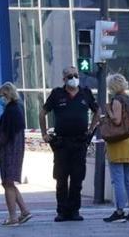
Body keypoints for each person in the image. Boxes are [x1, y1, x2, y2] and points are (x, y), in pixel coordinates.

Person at [39, 66, 99, 222]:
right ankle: (62, 211)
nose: (74, 78)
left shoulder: (85, 93)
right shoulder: (57, 94)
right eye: (70, 75)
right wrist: (44, 133)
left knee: (77, 178)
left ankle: (74, 211)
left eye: (76, 75)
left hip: (79, 142)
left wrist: (91, 128)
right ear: (64, 79)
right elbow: (42, 112)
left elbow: (97, 111)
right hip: (61, 142)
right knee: (61, 178)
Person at [102, 73, 129, 223]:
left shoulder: (117, 100)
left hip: (117, 141)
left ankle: (119, 211)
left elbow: (117, 120)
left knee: (117, 179)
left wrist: (108, 110)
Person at [0, 82, 32, 226]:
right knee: (9, 183)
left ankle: (13, 216)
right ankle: (24, 211)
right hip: (15, 151)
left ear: (7, 95)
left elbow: (3, 131)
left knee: (7, 183)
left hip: (9, 152)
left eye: (1, 96)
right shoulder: (16, 109)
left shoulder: (11, 110)